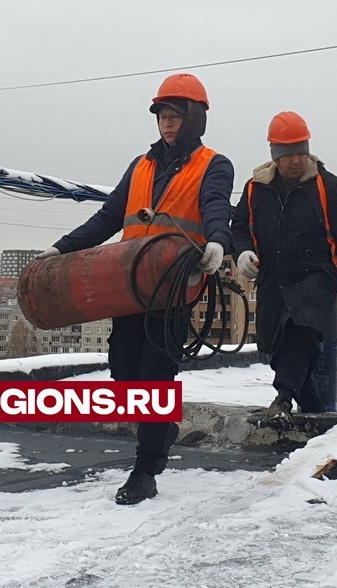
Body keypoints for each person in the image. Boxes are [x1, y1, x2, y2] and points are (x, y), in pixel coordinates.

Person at [36, 73, 234, 504]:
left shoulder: (213, 164)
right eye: (162, 116)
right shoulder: (140, 166)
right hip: (127, 288)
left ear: (195, 119)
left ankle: (145, 471)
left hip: (174, 288)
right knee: (124, 373)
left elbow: (217, 206)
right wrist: (60, 249)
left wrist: (218, 241)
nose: (167, 124)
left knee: (155, 376)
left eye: (175, 117)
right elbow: (108, 218)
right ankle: (162, 430)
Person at [231, 111, 337, 422]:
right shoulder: (256, 188)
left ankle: (282, 399)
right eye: (288, 154)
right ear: (275, 155)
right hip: (272, 278)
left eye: (301, 152)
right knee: (279, 348)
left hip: (315, 277)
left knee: (297, 328)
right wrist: (243, 252)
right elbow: (238, 227)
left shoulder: (328, 187)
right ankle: (316, 413)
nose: (296, 160)